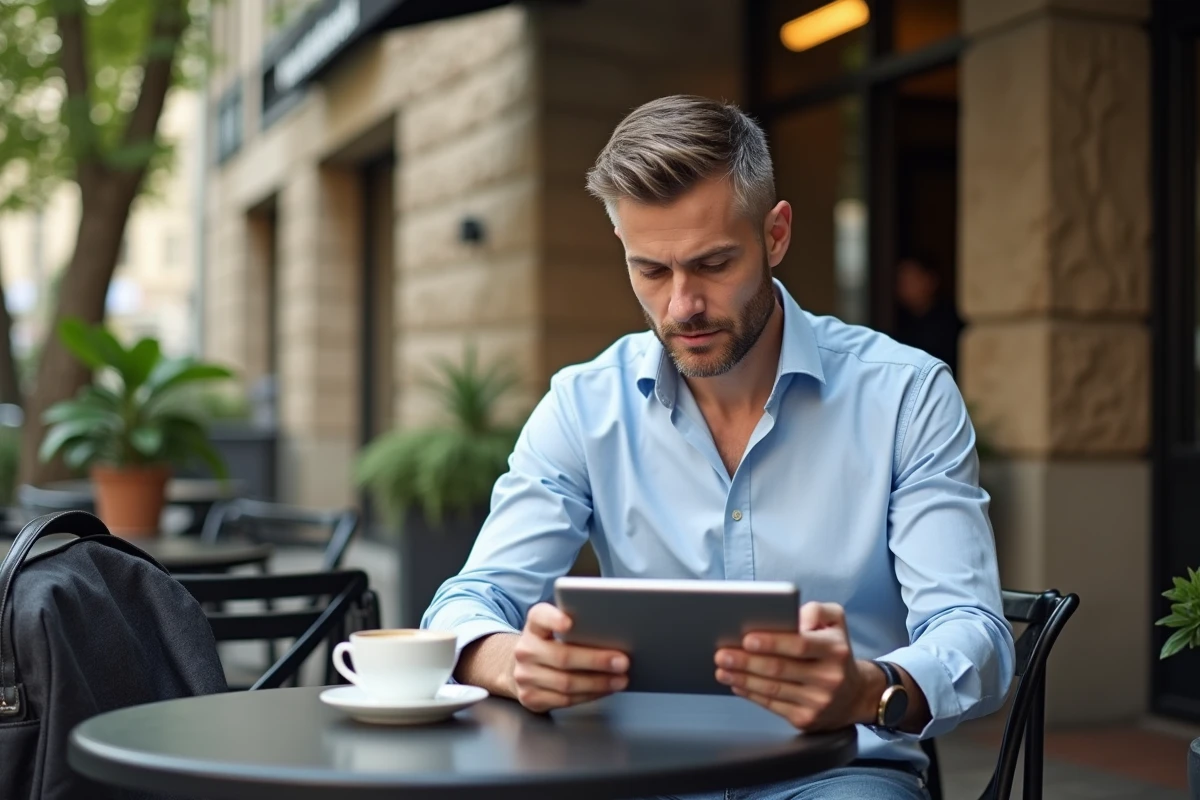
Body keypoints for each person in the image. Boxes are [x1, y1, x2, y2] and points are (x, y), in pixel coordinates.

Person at [422, 95, 1014, 800]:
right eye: (651, 270)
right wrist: (507, 660)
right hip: (639, 770)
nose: (682, 306)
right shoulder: (583, 405)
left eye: (712, 263)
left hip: (833, 772)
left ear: (777, 234)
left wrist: (868, 688)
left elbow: (971, 630)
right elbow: (470, 599)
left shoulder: (906, 395)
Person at [893, 255, 964, 376]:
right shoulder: (897, 322)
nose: (905, 287)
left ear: (931, 280)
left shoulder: (949, 322)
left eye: (912, 280)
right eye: (901, 281)